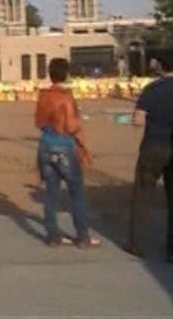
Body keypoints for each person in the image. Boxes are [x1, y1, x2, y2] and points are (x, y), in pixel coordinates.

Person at [128, 55, 173, 264]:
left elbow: (138, 120)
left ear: (161, 66)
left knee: (143, 194)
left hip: (154, 146)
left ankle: (136, 244)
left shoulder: (152, 89)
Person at [34, 58, 101, 248]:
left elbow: (38, 122)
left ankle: (53, 236)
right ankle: (82, 236)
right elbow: (72, 126)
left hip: (45, 145)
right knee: (76, 193)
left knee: (51, 194)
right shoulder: (66, 96)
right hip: (64, 146)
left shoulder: (43, 95)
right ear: (66, 74)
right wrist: (82, 144)